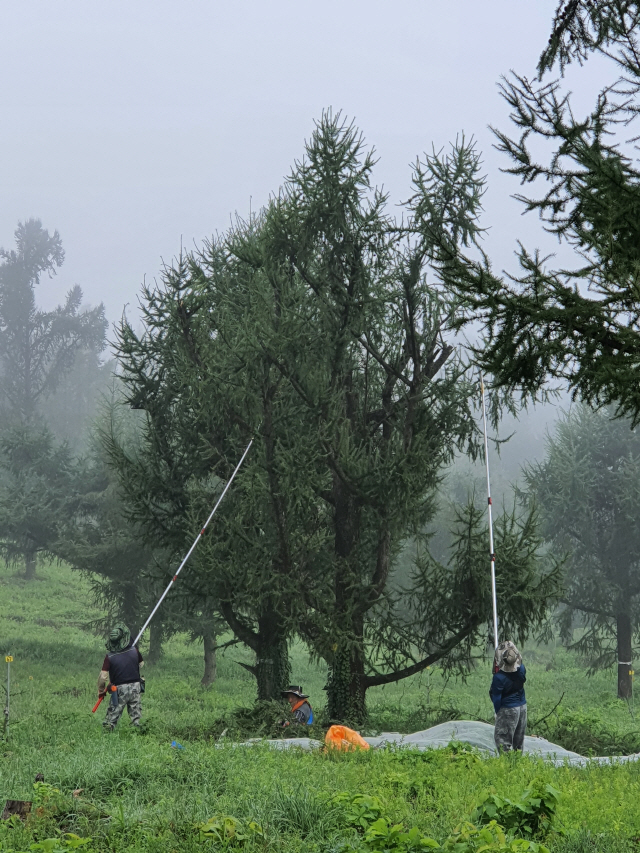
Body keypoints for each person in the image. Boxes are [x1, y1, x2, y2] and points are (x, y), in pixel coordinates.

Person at [97, 622, 144, 730]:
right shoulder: (135, 650)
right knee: (136, 715)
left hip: (118, 689)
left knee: (113, 715)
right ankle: (138, 731)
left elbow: (103, 676)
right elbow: (141, 664)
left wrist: (101, 690)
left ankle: (108, 732)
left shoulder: (109, 657)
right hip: (136, 687)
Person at [490, 640, 526, 754]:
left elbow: (496, 698)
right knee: (518, 740)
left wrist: (498, 712)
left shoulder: (499, 678)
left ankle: (506, 767)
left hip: (508, 709)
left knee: (503, 741)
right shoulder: (521, 669)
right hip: (522, 707)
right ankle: (518, 764)